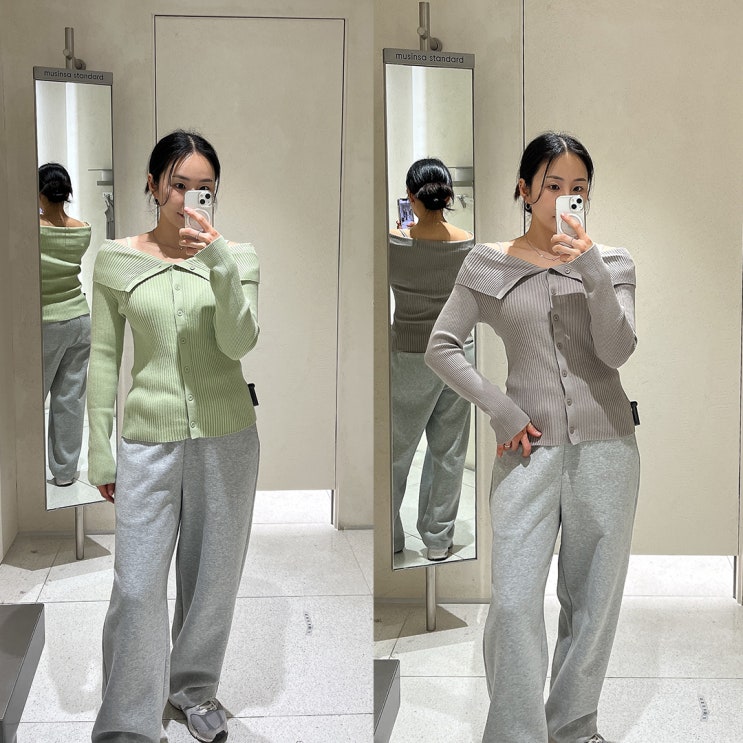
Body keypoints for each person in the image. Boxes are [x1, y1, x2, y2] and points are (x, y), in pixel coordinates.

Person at [425, 132, 639, 743]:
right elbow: (442, 347)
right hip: (527, 455)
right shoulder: (487, 263)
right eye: (552, 186)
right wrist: (501, 410)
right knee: (516, 603)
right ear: (524, 189)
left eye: (579, 189)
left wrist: (590, 269)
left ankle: (574, 726)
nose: (566, 198)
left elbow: (617, 350)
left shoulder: (613, 262)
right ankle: (515, 732)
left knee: (593, 603)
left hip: (608, 449)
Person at [87, 130, 260, 743]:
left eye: (203, 188)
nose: (189, 198)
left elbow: (239, 344)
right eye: (178, 185)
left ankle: (194, 690)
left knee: (212, 581)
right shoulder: (116, 259)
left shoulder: (237, 258)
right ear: (154, 185)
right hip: (147, 441)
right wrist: (100, 447)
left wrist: (219, 265)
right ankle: (128, 720)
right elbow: (104, 356)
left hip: (227, 438)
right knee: (136, 588)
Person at [389, 158, 475, 561]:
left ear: (411, 196)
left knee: (396, 452)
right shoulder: (469, 244)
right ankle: (438, 541)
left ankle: (391, 537)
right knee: (449, 452)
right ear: (448, 196)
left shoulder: (393, 242)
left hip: (409, 354)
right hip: (458, 353)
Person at [38, 163, 92, 487]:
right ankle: (65, 473)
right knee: (70, 400)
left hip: (45, 324)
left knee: (30, 400)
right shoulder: (83, 229)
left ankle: (23, 474)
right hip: (80, 319)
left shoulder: (34, 231)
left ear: (41, 193)